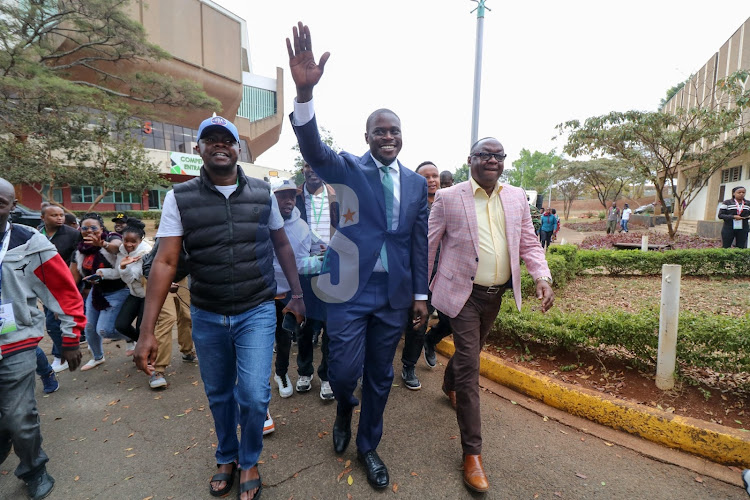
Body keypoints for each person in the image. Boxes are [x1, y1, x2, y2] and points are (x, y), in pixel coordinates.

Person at [288, 23, 429, 490]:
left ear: (402, 137)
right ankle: (344, 408)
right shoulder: (348, 168)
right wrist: (304, 94)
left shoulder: (414, 183)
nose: (388, 136)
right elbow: (313, 148)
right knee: (345, 371)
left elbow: (416, 240)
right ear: (366, 136)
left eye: (395, 130)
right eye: (379, 130)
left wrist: (421, 294)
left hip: (393, 294)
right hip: (349, 286)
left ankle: (368, 445)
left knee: (381, 377)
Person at [135, 115, 305, 500]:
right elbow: (164, 261)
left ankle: (249, 459)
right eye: (209, 140)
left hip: (256, 310)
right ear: (198, 149)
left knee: (254, 395)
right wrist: (146, 332)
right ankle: (226, 455)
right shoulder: (179, 197)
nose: (219, 145)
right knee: (219, 394)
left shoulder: (263, 192)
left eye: (226, 140)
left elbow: (281, 244)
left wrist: (296, 293)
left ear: (237, 148)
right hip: (208, 313)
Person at [427, 138, 554, 493]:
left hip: (495, 296)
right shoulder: (450, 198)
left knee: (471, 353)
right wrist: (418, 295)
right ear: (470, 160)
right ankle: (473, 454)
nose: (492, 160)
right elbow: (429, 244)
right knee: (470, 363)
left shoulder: (515, 197)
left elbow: (528, 241)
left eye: (498, 156)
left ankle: (449, 383)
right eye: (485, 155)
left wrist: (541, 277)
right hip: (462, 295)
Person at [0, 177, 85, 500]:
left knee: (19, 416)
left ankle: (34, 468)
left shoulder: (28, 243)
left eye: (0, 203)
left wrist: (71, 336)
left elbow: (62, 290)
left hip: (16, 341)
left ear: (12, 207)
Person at [271, 179, 324, 400]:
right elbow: (289, 263)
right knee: (276, 340)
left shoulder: (301, 225)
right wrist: (321, 262)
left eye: (292, 196)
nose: (288, 201)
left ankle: (291, 374)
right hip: (269, 292)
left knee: (292, 334)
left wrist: (326, 251)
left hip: (294, 292)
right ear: (273, 198)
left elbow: (316, 246)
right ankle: (280, 374)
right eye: (283, 196)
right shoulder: (264, 223)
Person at [400, 161, 452, 388]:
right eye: (426, 176)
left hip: (447, 274)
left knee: (451, 321)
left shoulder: (450, 203)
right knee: (417, 323)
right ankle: (409, 365)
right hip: (419, 275)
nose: (431, 180)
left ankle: (432, 340)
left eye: (435, 175)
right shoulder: (409, 205)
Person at [295, 163, 337, 399]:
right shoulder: (295, 196)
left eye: (316, 166)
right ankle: (304, 371)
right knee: (305, 325)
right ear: (303, 170)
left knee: (331, 326)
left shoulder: (336, 195)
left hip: (332, 270)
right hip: (304, 270)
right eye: (307, 166)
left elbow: (347, 228)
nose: (312, 171)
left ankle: (327, 376)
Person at [70, 213, 126, 371]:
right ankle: (97, 357)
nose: (89, 231)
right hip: (97, 292)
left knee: (105, 330)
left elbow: (116, 247)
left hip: (117, 291)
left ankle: (134, 337)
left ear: (101, 228)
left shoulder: (111, 238)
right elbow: (73, 277)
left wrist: (102, 244)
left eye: (93, 228)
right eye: (85, 228)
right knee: (89, 327)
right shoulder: (80, 249)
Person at [141, 239, 195, 390]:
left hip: (179, 278)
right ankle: (157, 370)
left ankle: (187, 351)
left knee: (187, 315)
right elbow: (148, 264)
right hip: (156, 275)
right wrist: (163, 281)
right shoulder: (170, 235)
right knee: (167, 318)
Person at [97, 218, 151, 356]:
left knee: (142, 328)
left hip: (147, 295)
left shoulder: (145, 253)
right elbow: (117, 272)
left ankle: (148, 357)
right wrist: (102, 273)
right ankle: (144, 348)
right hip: (134, 293)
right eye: (126, 240)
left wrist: (123, 266)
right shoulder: (122, 249)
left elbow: (133, 277)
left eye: (133, 242)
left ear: (141, 240)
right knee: (121, 325)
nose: (129, 244)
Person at [38, 204, 81, 373]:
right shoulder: (37, 234)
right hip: (44, 284)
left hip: (65, 284)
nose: (59, 218)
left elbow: (77, 262)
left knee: (53, 322)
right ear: (43, 218)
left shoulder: (73, 234)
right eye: (54, 215)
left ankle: (61, 356)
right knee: (53, 321)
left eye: (61, 215)